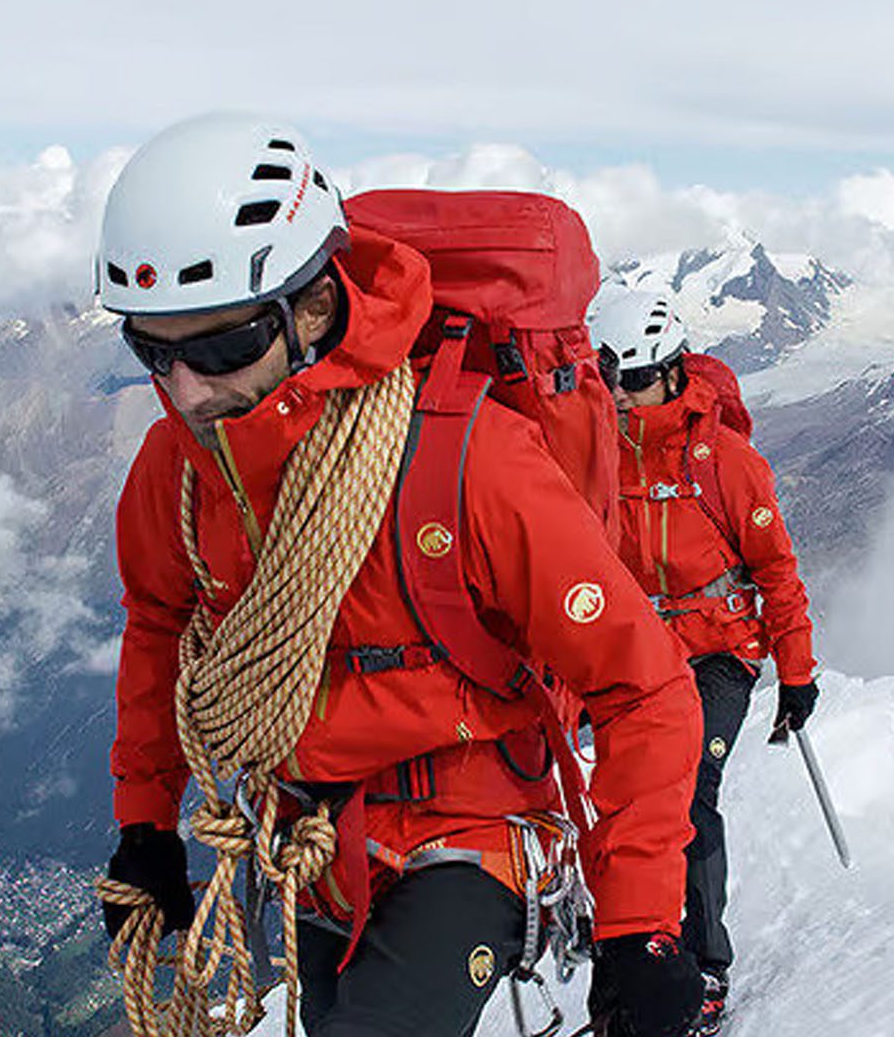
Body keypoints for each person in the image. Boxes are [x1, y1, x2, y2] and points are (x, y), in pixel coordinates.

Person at [95, 113, 704, 1037]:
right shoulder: (178, 469)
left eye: (221, 348)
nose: (189, 390)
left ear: (314, 304)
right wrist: (145, 827)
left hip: (471, 832)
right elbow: (158, 631)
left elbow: (644, 684)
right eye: (155, 351)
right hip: (307, 839)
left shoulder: (471, 463)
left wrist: (641, 927)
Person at [592, 289, 821, 1036]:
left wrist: (796, 672)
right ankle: (631, 962)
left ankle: (705, 964)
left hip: (720, 651)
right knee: (625, 805)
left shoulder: (725, 460)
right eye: (610, 383)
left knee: (686, 796)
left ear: (671, 369)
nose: (623, 399)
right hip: (635, 655)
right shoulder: (594, 455)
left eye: (635, 381)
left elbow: (775, 571)